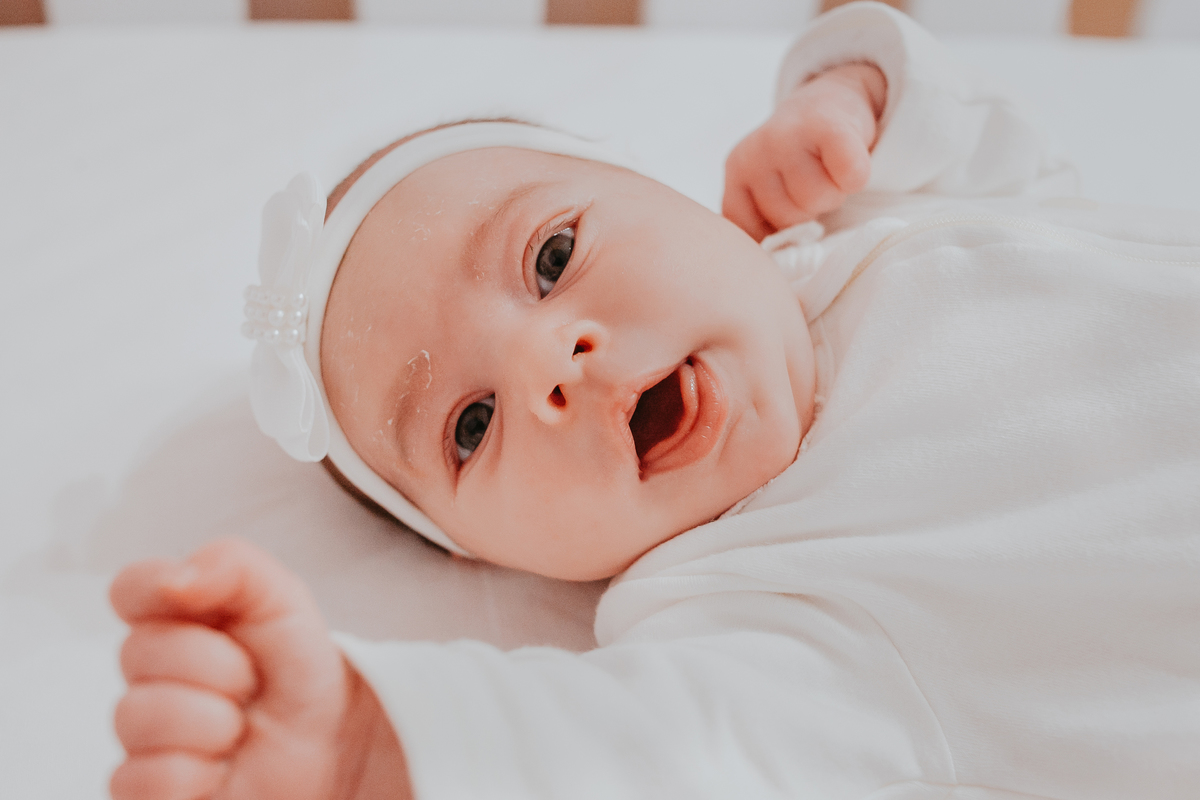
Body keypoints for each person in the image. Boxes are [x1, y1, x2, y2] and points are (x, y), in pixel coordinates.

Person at [108, 3, 1200, 799]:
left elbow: (1016, 160)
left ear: (674, 197)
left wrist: (859, 94)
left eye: (551, 255)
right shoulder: (752, 605)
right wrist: (370, 748)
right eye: (470, 427)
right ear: (490, 558)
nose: (549, 360)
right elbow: (651, 748)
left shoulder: (863, 216)